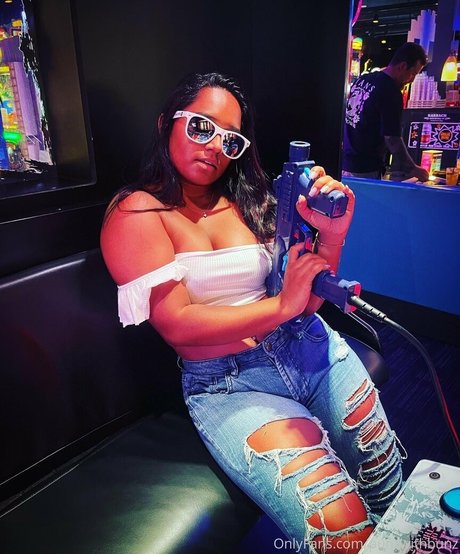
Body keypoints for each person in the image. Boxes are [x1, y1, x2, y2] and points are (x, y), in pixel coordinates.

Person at [101, 72, 404, 553]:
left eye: (230, 140)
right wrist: (279, 306)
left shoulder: (249, 199)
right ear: (165, 124)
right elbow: (177, 323)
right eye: (201, 127)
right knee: (342, 532)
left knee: (391, 489)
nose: (214, 147)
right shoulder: (137, 213)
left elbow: (307, 302)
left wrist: (332, 237)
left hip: (310, 349)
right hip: (230, 385)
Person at [342, 42, 429, 182]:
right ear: (402, 66)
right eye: (413, 74)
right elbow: (392, 139)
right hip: (365, 169)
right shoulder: (390, 91)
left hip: (345, 163)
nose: (412, 80)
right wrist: (412, 168)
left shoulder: (364, 79)